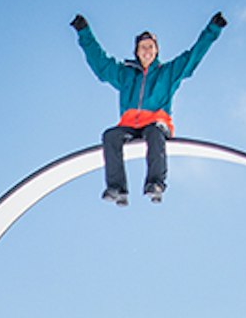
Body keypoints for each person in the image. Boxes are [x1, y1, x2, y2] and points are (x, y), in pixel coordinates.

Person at [71, 11, 226, 204]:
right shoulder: (126, 74)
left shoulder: (167, 73)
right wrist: (84, 32)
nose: (147, 51)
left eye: (151, 47)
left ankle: (155, 183)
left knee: (154, 133)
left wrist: (213, 29)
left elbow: (192, 57)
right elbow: (101, 63)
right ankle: (118, 188)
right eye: (143, 47)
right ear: (136, 52)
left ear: (156, 51)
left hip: (156, 123)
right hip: (130, 125)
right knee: (110, 136)